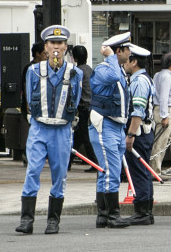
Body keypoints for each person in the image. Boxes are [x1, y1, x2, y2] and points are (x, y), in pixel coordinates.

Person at [16, 26, 81, 235]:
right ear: (45, 47)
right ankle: (26, 219)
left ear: (66, 47)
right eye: (52, 43)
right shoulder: (33, 71)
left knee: (59, 174)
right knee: (32, 170)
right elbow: (29, 98)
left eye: (60, 43)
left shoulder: (75, 73)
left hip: (62, 129)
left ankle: (53, 220)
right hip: (39, 127)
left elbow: (76, 101)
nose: (56, 47)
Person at [88, 33, 135, 229]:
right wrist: (109, 57)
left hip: (116, 126)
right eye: (127, 49)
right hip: (105, 125)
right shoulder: (104, 69)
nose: (130, 53)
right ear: (118, 51)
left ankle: (103, 216)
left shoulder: (118, 70)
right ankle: (113, 216)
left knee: (106, 171)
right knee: (111, 171)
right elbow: (114, 76)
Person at [121, 41, 157, 226]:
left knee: (139, 172)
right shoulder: (143, 79)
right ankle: (146, 211)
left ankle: (142, 212)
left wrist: (130, 135)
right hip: (143, 132)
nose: (124, 63)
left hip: (139, 132)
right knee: (143, 170)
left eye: (127, 59)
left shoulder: (139, 81)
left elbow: (137, 111)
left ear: (134, 62)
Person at [151, 52, 171, 173]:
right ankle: (154, 171)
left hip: (164, 110)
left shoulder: (158, 75)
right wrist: (165, 116)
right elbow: (163, 97)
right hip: (166, 111)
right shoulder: (167, 77)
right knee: (161, 143)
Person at [71, 45, 96, 173]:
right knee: (79, 136)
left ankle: (95, 162)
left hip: (83, 108)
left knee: (84, 136)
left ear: (75, 58)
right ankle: (68, 162)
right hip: (92, 107)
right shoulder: (91, 70)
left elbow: (74, 91)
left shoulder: (76, 71)